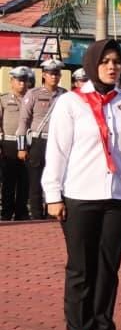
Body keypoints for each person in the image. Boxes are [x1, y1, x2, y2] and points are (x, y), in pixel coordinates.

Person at [43, 40, 121, 330]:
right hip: (80, 196)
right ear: (93, 64)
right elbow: (57, 151)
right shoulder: (71, 103)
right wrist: (53, 195)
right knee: (81, 269)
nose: (112, 67)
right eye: (105, 61)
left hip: (120, 197)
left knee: (108, 270)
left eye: (116, 61)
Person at [17, 59, 67, 220]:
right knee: (36, 180)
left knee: (58, 177)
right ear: (44, 75)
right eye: (51, 73)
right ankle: (37, 216)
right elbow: (23, 121)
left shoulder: (65, 95)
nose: (54, 77)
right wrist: (21, 147)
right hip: (39, 142)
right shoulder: (33, 94)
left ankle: (54, 213)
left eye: (57, 73)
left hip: (58, 142)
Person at [1, 67, 33, 220]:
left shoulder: (32, 98)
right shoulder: (4, 99)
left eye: (25, 80)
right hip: (9, 143)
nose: (22, 84)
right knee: (8, 180)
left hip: (28, 143)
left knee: (25, 180)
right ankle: (6, 212)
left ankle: (21, 212)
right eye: (19, 80)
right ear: (11, 81)